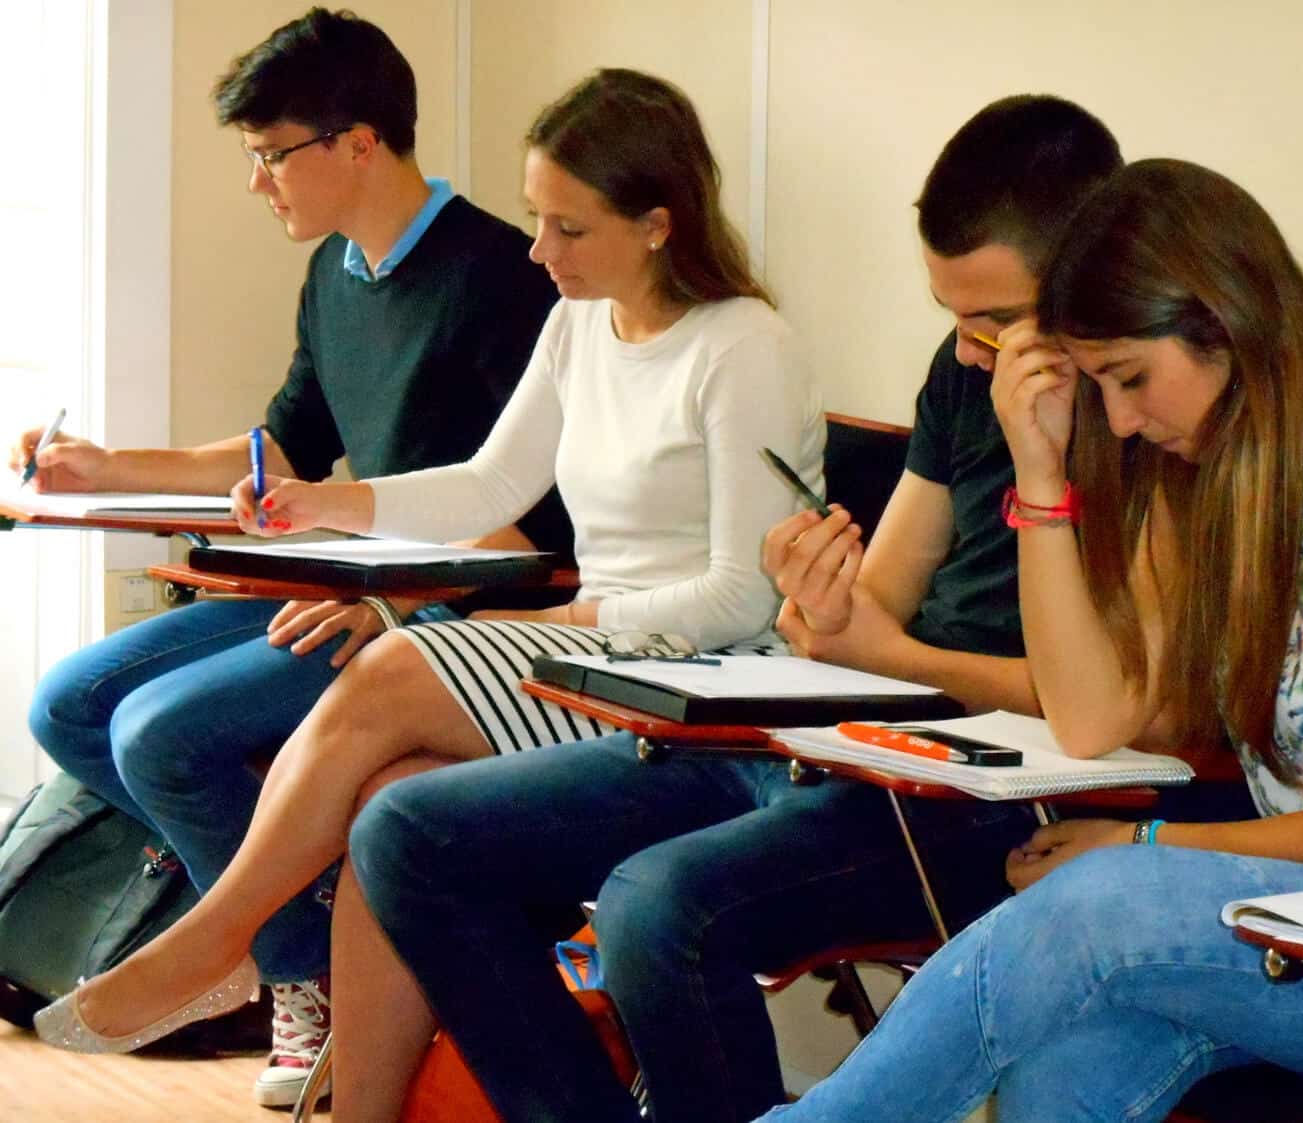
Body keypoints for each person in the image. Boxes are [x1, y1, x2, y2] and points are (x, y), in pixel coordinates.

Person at [30, 62, 824, 1106]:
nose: (540, 251)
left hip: (695, 679)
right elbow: (491, 480)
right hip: (594, 653)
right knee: (384, 806)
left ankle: (213, 942)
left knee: (397, 661)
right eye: (538, 220)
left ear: (660, 224)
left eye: (568, 229)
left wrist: (573, 618)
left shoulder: (743, 346)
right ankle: (354, 1099)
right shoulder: (580, 320)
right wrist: (326, 504)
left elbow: (742, 600)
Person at [324, 96, 1131, 1123]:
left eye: (994, 323)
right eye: (952, 319)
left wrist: (890, 650)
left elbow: (1100, 713)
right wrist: (820, 605)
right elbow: (877, 599)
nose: (970, 352)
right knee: (406, 830)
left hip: (977, 788)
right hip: (845, 734)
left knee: (657, 906)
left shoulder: (1136, 408)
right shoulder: (963, 375)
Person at [751, 158, 1303, 1123]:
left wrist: (1150, 840)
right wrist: (1038, 471)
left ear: (1225, 323)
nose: (1119, 419)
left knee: (1099, 904)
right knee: (1070, 1060)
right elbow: (1091, 713)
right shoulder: (1223, 475)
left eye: (1129, 379)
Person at [9, 7, 562, 1107]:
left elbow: (542, 525)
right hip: (339, 583)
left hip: (443, 616)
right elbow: (284, 450)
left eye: (271, 156)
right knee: (71, 702)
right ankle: (300, 943)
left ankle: (294, 983)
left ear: (358, 141)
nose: (260, 184)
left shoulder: (503, 275)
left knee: (161, 732)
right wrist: (103, 467)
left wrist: (403, 608)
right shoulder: (337, 273)